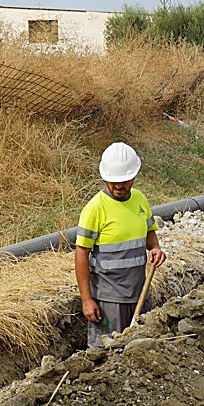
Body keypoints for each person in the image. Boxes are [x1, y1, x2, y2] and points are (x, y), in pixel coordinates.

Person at [74, 142, 167, 348]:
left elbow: (149, 231)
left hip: (140, 293)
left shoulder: (140, 201)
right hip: (108, 302)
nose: (118, 186)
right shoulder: (95, 209)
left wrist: (155, 249)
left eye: (124, 181)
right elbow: (81, 254)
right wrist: (87, 300)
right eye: (113, 181)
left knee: (140, 348)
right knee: (107, 352)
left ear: (134, 176)